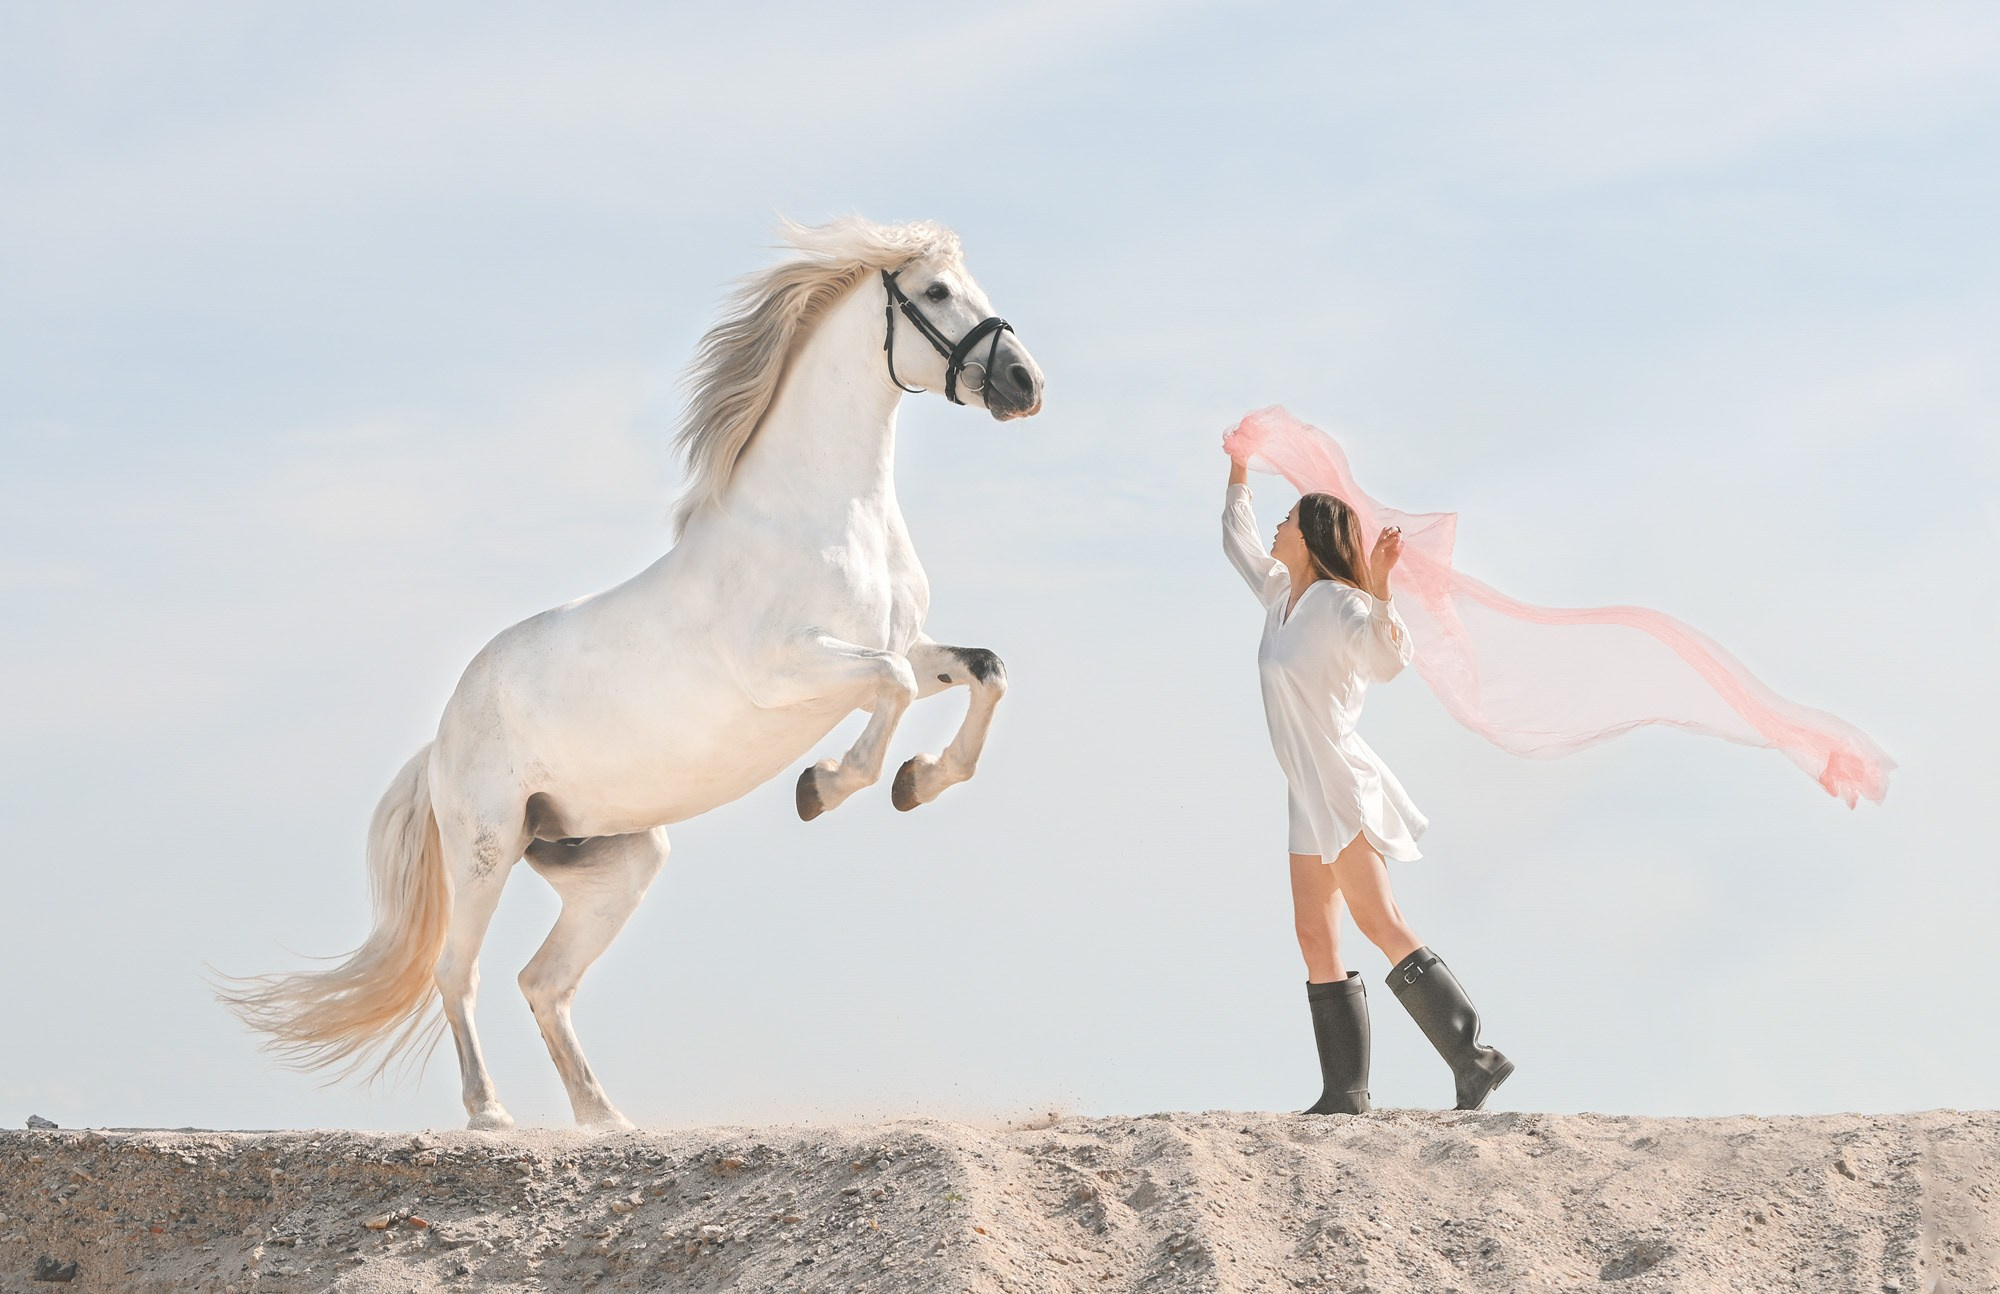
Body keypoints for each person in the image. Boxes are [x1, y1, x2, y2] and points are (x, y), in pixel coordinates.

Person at [1223, 450, 1513, 1114]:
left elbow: (1388, 661)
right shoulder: (1279, 594)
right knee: (1315, 938)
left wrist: (1381, 588)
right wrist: (1238, 467)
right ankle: (1345, 1092)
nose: (1277, 527)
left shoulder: (1343, 605)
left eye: (1288, 519)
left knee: (1380, 920)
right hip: (1305, 793)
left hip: (1341, 785)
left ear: (1310, 537)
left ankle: (1474, 1058)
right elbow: (1237, 539)